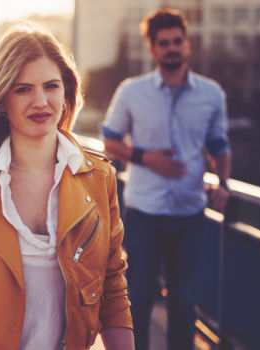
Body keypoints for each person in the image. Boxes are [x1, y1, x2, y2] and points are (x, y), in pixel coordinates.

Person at [0, 22, 134, 350]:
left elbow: (112, 289)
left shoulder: (99, 179)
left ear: (67, 94)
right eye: (23, 89)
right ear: (1, 101)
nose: (41, 101)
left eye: (51, 86)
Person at [100, 8, 231, 350]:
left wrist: (223, 183)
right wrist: (147, 158)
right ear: (152, 49)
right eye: (164, 43)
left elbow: (218, 144)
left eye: (177, 41)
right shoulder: (131, 91)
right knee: (138, 298)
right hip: (144, 210)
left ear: (187, 44)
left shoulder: (211, 93)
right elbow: (110, 141)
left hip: (189, 212)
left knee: (184, 301)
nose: (172, 48)